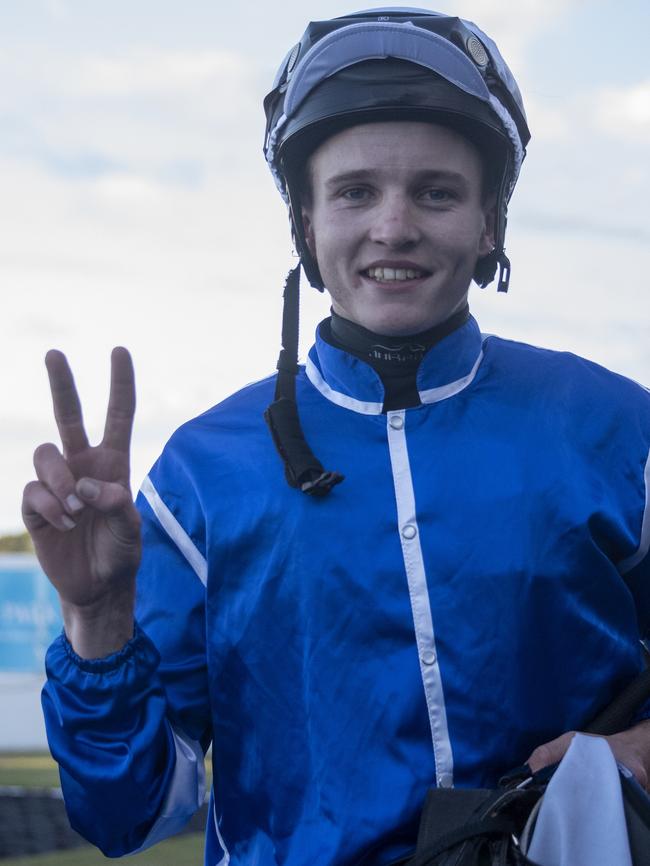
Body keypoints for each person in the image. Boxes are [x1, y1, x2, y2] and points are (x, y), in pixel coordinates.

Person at [22, 9, 650, 866]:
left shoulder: (615, 427)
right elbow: (129, 813)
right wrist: (96, 624)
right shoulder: (203, 475)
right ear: (306, 226)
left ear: (489, 222)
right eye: (355, 191)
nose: (394, 227)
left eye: (436, 191)